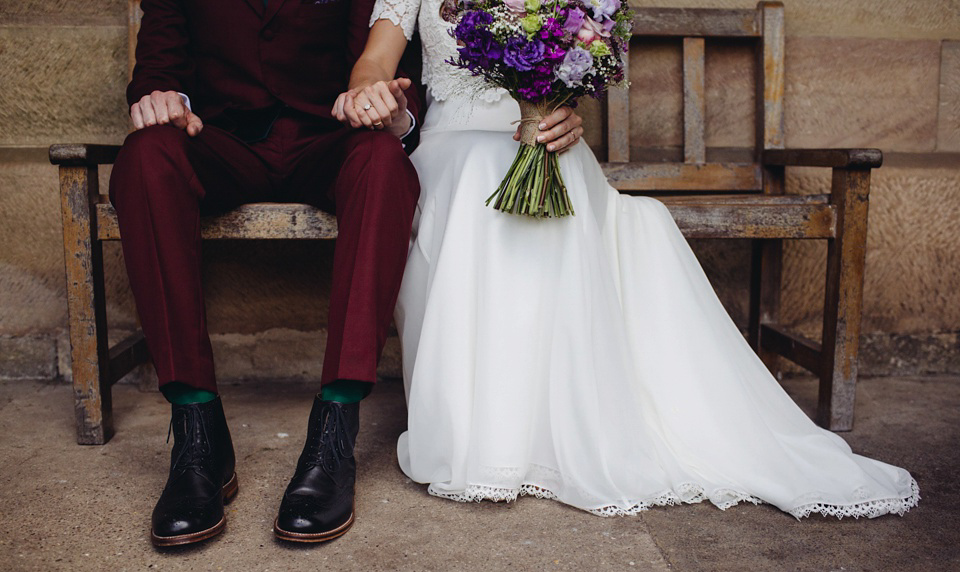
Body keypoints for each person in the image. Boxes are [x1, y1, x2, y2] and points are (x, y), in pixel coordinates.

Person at [334, 0, 920, 519]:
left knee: (549, 174)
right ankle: (481, 435)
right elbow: (374, 63)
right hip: (449, 148)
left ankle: (550, 430)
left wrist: (563, 112)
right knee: (474, 182)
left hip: (544, 141)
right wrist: (371, 92)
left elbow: (575, 60)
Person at [110, 0, 429, 546]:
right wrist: (163, 99)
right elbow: (155, 71)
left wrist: (390, 108)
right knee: (144, 158)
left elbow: (391, 66)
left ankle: (334, 432)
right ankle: (197, 434)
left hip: (330, 137)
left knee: (384, 164)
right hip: (218, 138)